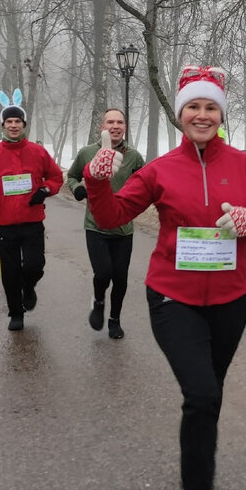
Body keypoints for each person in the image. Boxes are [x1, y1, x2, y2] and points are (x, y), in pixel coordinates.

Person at [83, 65, 246, 490]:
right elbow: (112, 216)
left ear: (220, 114)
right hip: (172, 298)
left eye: (210, 107)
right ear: (181, 115)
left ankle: (198, 477)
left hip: (230, 302)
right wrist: (96, 183)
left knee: (209, 398)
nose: (201, 114)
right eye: (193, 107)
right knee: (200, 393)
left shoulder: (242, 166)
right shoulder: (158, 170)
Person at [0, 89, 64, 331]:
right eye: (9, 121)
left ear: (24, 124)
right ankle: (16, 312)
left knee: (35, 266)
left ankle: (29, 286)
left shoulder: (38, 152)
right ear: (3, 125)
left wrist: (44, 191)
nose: (13, 125)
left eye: (17, 121)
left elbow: (54, 177)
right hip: (5, 223)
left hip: (32, 221)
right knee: (9, 271)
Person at [66, 109, 145, 339]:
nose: (115, 126)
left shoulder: (134, 156)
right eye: (111, 121)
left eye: (120, 122)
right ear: (103, 125)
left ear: (125, 127)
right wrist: (78, 189)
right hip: (95, 226)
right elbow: (71, 176)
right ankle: (99, 301)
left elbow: (145, 184)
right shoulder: (87, 153)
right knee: (103, 273)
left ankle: (115, 320)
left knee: (120, 277)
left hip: (123, 228)